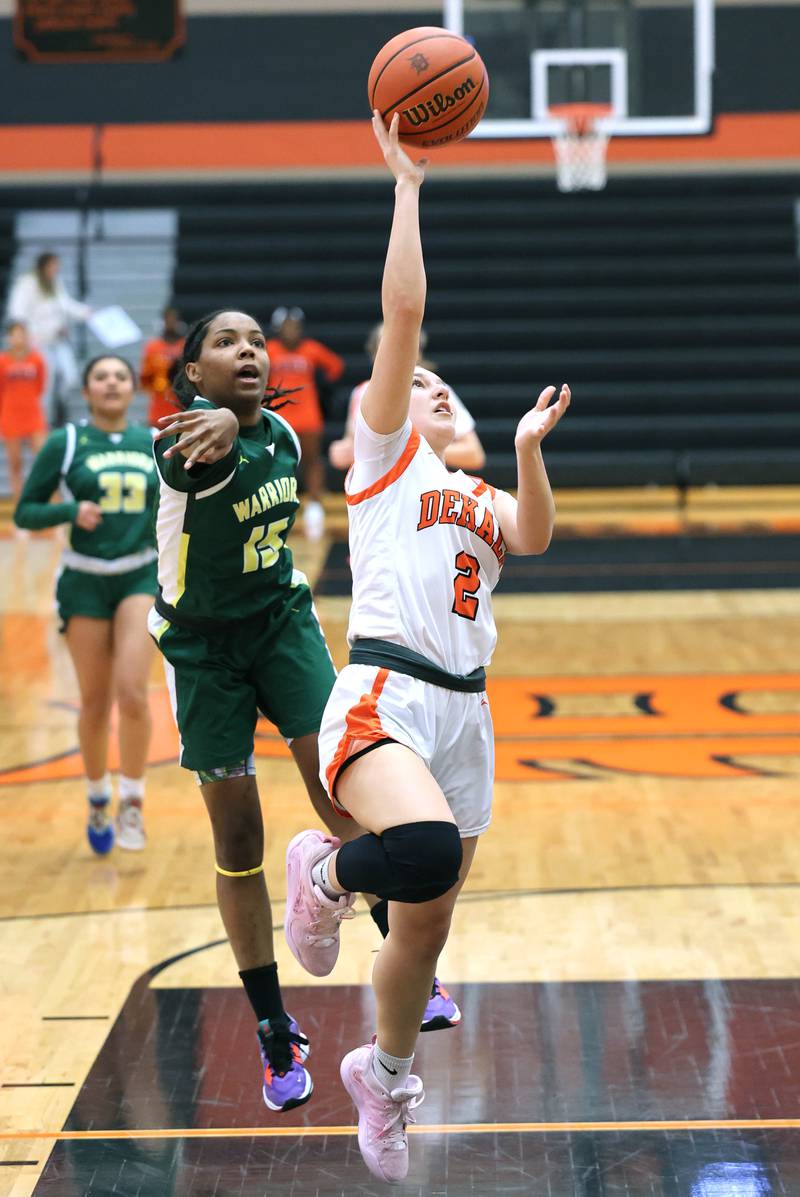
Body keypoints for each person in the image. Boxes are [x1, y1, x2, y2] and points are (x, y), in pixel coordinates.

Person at [283, 111, 570, 1184]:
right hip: (385, 697)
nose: (435, 393)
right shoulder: (387, 458)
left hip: (465, 713)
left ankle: (386, 1074)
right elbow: (402, 309)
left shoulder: (480, 497)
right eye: (421, 387)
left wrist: (531, 452)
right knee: (420, 859)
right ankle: (322, 867)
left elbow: (532, 536)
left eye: (451, 391)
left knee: (427, 932)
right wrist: (405, 185)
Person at [147, 308, 354, 1115]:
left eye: (256, 343)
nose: (247, 352)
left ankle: (388, 937)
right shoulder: (179, 450)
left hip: (280, 624)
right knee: (238, 838)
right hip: (203, 652)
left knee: (342, 787)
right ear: (192, 373)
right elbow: (204, 453)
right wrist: (219, 432)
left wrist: (240, 430)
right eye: (225, 343)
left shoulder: (287, 439)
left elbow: (250, 442)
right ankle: (274, 1030)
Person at [14, 355, 158, 854]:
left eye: (121, 375)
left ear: (132, 387)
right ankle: (98, 795)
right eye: (102, 376)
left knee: (133, 691)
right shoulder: (66, 441)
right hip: (84, 581)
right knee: (95, 699)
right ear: (87, 389)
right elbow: (26, 511)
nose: (113, 382)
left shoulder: (153, 442)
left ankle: (133, 801)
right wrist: (71, 509)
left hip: (140, 573)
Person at [329, 322, 485, 474]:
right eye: (390, 343)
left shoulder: (438, 390)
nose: (398, 349)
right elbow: (351, 445)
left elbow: (474, 454)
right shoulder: (362, 392)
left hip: (426, 487)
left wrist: (414, 449)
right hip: (381, 489)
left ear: (418, 351)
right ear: (375, 352)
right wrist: (343, 451)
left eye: (405, 342)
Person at [266, 306, 344, 540]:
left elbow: (335, 366)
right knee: (278, 464)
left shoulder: (311, 349)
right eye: (286, 326)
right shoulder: (269, 350)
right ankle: (277, 505)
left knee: (312, 462)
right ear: (278, 328)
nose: (291, 330)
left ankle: (314, 506)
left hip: (309, 416)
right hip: (280, 418)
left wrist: (323, 387)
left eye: (295, 326)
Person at [6, 251, 91, 427]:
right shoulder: (27, 284)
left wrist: (86, 312)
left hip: (58, 340)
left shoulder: (54, 282)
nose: (55, 270)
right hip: (38, 342)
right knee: (46, 384)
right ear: (43, 265)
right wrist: (29, 336)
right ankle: (45, 423)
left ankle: (60, 407)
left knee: (70, 376)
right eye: (52, 266)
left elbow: (65, 304)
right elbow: (18, 313)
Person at [0, 321, 48, 504]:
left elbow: (40, 385)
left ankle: (53, 509)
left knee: (44, 461)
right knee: (15, 465)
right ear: (9, 338)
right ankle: (20, 513)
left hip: (33, 415)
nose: (18, 338)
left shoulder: (37, 359)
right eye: (15, 334)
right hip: (10, 415)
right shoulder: (2, 361)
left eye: (22, 334)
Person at [139, 306, 186, 426]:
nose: (170, 323)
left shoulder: (185, 346)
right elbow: (145, 377)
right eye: (167, 319)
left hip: (181, 401)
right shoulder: (153, 347)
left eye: (173, 320)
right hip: (159, 402)